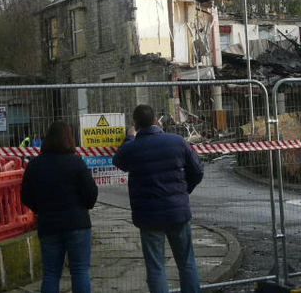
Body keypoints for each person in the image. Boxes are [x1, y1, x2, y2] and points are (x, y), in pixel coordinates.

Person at [113, 104, 204, 293]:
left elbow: (118, 161)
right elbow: (197, 170)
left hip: (149, 216)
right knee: (187, 263)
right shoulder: (178, 141)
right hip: (177, 211)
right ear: (155, 121)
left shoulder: (133, 147)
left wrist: (130, 137)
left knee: (156, 267)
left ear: (136, 124)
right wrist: (184, 191)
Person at [21, 121, 98, 293]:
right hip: (77, 223)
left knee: (51, 273)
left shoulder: (35, 165)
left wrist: (40, 209)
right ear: (69, 139)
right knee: (80, 271)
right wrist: (83, 206)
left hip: (49, 224)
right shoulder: (76, 163)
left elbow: (25, 196)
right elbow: (91, 193)